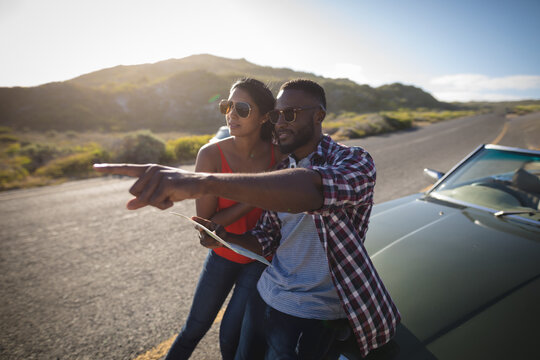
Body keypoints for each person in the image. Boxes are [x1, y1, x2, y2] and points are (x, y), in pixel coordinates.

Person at [94, 79, 401, 359]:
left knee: (231, 338)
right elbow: (268, 235)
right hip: (266, 293)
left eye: (290, 114)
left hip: (312, 312)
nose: (280, 122)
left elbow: (312, 190)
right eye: (278, 114)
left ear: (318, 116)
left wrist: (203, 182)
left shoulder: (353, 160)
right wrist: (226, 237)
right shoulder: (283, 162)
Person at [164, 78, 282, 359]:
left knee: (231, 337)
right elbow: (207, 226)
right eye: (227, 106)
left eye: (242, 108)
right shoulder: (210, 154)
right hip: (221, 254)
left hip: (260, 259)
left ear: (265, 117)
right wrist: (257, 192)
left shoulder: (280, 155)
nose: (231, 114)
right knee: (193, 330)